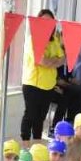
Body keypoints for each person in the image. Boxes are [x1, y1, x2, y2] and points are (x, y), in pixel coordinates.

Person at [20, 9, 65, 144]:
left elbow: (63, 59)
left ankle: (37, 146)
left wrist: (50, 61)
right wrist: (53, 61)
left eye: (50, 22)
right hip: (32, 84)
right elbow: (41, 61)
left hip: (48, 85)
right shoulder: (32, 40)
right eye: (43, 21)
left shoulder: (54, 40)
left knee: (41, 117)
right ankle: (26, 146)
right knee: (30, 115)